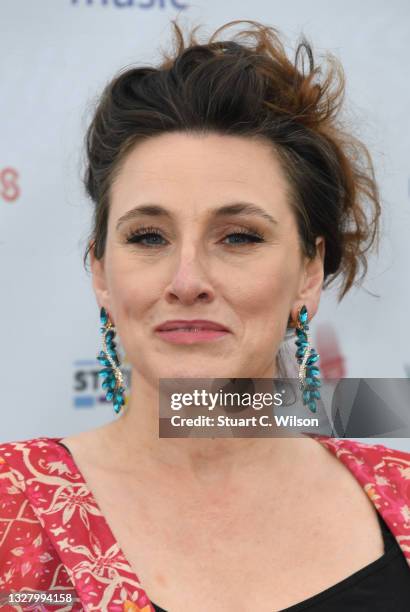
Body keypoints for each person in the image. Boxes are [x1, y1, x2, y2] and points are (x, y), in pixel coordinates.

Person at [1, 18, 410, 612]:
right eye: (147, 236)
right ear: (100, 273)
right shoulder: (12, 507)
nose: (187, 280)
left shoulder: (403, 496)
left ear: (308, 272)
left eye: (239, 237)